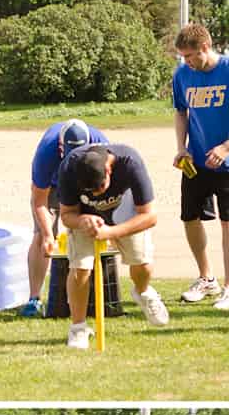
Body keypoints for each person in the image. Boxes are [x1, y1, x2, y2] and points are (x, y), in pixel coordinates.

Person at [58, 143, 169, 349]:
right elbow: (66, 215)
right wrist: (82, 221)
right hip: (85, 217)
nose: (97, 195)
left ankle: (143, 293)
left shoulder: (130, 162)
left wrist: (111, 233)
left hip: (126, 213)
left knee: (142, 263)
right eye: (90, 190)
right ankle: (78, 328)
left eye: (100, 187)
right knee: (80, 267)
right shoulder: (69, 168)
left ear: (108, 170)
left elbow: (150, 215)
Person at [20, 119, 108, 318]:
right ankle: (35, 298)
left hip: (85, 182)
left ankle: (90, 294)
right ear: (61, 147)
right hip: (53, 187)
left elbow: (107, 186)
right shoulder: (46, 152)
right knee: (42, 238)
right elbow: (39, 200)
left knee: (88, 233)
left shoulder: (101, 144)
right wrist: (47, 235)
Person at [172, 23, 229, 308]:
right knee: (190, 217)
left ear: (205, 47)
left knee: (228, 223)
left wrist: (225, 147)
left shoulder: (228, 70)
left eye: (190, 56)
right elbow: (181, 112)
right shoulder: (182, 75)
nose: (186, 62)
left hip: (228, 162)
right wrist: (181, 148)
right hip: (197, 161)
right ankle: (207, 279)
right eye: (183, 57)